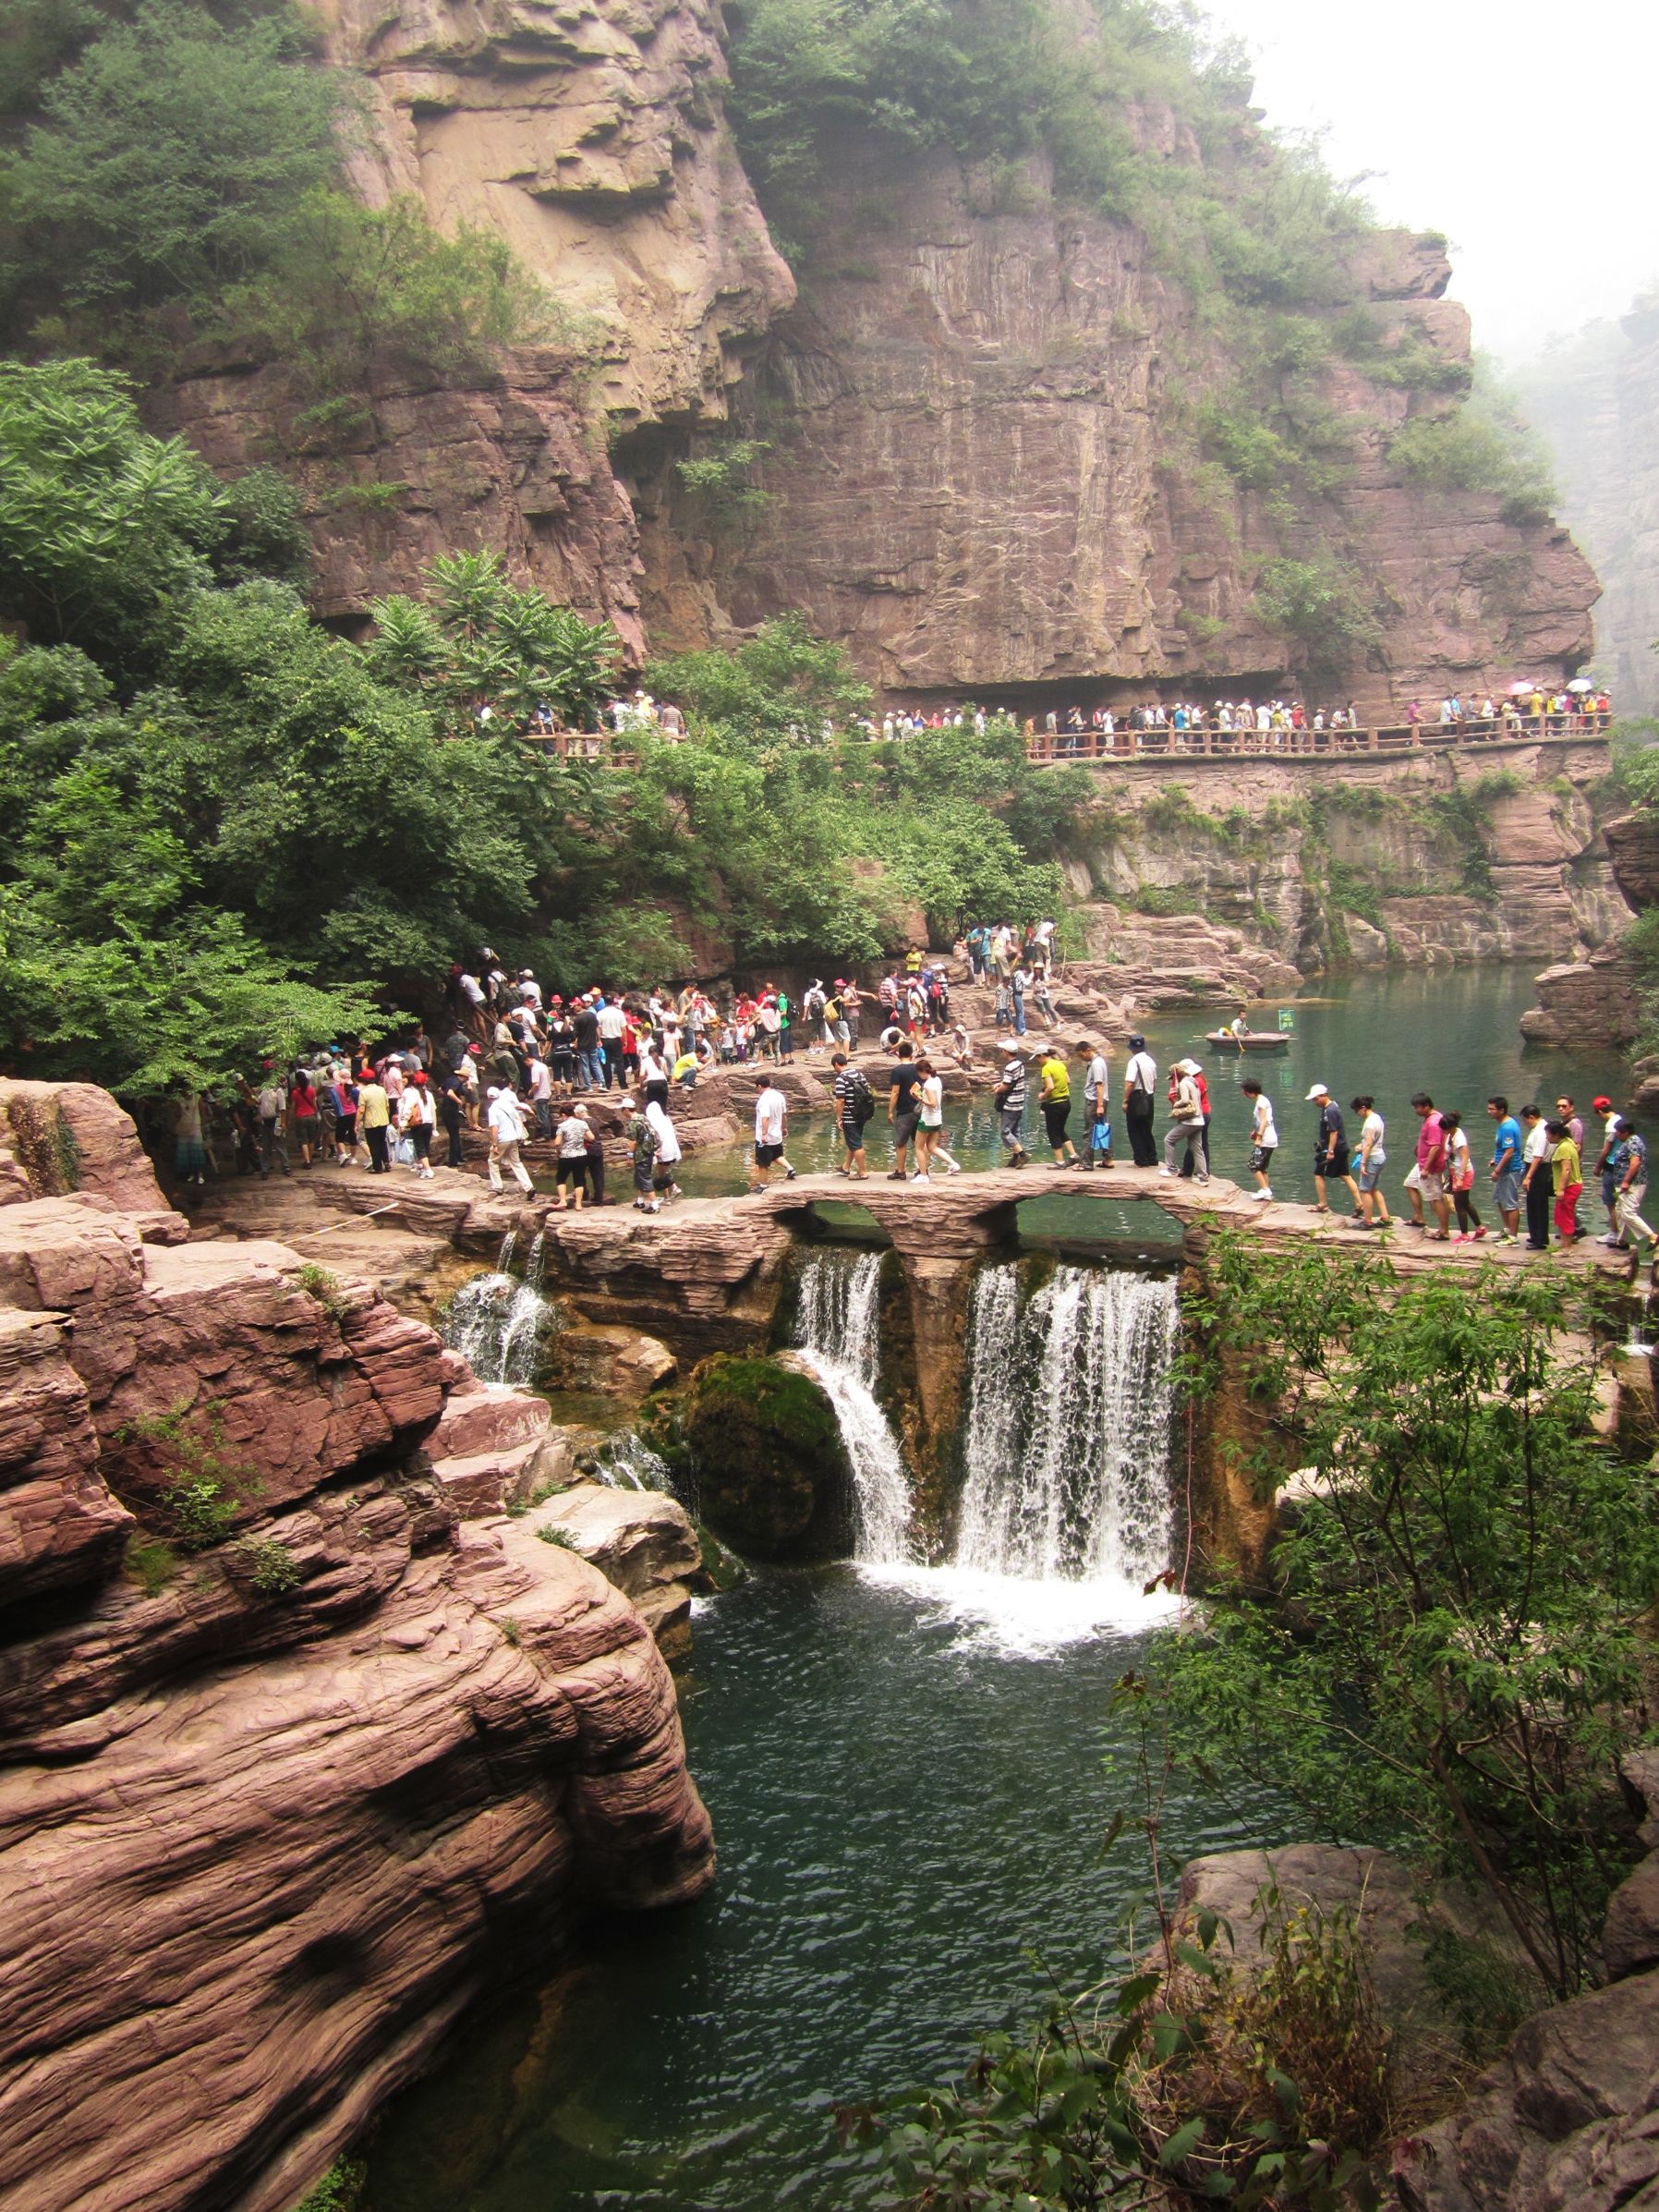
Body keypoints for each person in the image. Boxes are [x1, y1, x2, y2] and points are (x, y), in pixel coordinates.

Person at [1306, 1084, 1360, 1216]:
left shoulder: (1330, 1110)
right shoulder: (1330, 1107)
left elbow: (1334, 1132)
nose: (1315, 1102)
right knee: (1345, 1175)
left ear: (1324, 1095)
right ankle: (1359, 1203)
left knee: (1318, 1174)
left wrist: (1330, 1151)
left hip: (1334, 1148)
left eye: (1316, 1099)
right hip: (1340, 1147)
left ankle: (1322, 1203)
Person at [1404, 1093, 1449, 1237]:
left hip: (1430, 1166)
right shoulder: (1431, 1118)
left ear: (1426, 1106)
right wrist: (1419, 1148)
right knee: (1410, 1184)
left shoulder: (1434, 1122)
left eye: (1417, 1107)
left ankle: (1444, 1231)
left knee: (1436, 1197)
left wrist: (1427, 1168)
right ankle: (1419, 1217)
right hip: (1422, 1162)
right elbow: (1429, 1141)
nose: (1415, 1110)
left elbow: (1435, 1146)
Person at [1612, 1120, 1657, 1257]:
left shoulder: (1633, 1142)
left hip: (1633, 1184)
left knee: (1628, 1213)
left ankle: (1652, 1236)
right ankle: (1621, 1240)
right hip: (1627, 1183)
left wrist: (1626, 1181)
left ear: (1625, 1132)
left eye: (1618, 1132)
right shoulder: (1631, 1141)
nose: (1616, 1135)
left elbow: (1635, 1163)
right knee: (1620, 1210)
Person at [1160, 1059, 1207, 1181]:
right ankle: (1203, 1176)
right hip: (1199, 1120)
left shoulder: (1183, 1083)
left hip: (1190, 1121)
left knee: (1169, 1140)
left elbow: (1185, 1100)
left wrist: (1176, 1105)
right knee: (1197, 1148)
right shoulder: (1194, 1082)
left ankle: (1171, 1168)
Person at [1439, 1111, 1483, 1241]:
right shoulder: (1451, 1135)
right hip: (1455, 1172)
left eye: (1445, 1129)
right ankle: (1480, 1228)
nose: (1443, 1131)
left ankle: (1464, 1235)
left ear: (1451, 1126)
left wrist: (1460, 1178)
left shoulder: (1459, 1138)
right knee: (1465, 1202)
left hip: (1462, 1173)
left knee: (1459, 1204)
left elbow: (1465, 1157)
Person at [749, 1076, 796, 1192]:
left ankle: (763, 1185)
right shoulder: (779, 1096)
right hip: (777, 1135)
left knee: (762, 1162)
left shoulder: (764, 1099)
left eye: (757, 1088)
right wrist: (784, 1128)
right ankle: (790, 1169)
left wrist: (764, 1134)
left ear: (759, 1086)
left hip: (765, 1137)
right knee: (776, 1155)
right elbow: (784, 1115)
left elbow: (765, 1117)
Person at [831, 1052, 874, 1178]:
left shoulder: (841, 1079)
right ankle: (846, 1167)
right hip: (862, 1114)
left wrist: (839, 1118)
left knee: (856, 1144)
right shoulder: (859, 1074)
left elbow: (840, 1100)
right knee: (853, 1141)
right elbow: (867, 1091)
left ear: (836, 1064)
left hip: (850, 1116)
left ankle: (862, 1172)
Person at [1487, 1095, 1522, 1245]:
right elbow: (1503, 1149)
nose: (1489, 1111)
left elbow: (1509, 1152)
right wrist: (1495, 1159)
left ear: (1501, 1110)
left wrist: (1497, 1170)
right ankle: (1507, 1230)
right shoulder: (1503, 1125)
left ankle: (1513, 1237)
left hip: (1509, 1171)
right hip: (1503, 1169)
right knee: (1499, 1199)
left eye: (1492, 1109)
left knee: (1510, 1203)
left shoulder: (1507, 1127)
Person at [1350, 1095, 1388, 1227]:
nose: (1357, 1114)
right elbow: (1370, 1141)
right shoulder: (1378, 1117)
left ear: (1363, 1108)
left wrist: (1363, 1163)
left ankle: (1367, 1221)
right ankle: (1385, 1217)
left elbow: (1368, 1144)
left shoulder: (1369, 1123)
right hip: (1380, 1156)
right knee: (1373, 1188)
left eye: (1357, 1111)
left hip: (1372, 1159)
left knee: (1365, 1190)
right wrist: (1361, 1146)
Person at [887, 1040, 923, 1180]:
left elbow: (895, 1092)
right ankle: (922, 1169)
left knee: (901, 1142)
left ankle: (901, 1171)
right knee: (919, 1142)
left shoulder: (897, 1071)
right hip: (919, 1109)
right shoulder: (918, 1069)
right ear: (911, 1054)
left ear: (898, 1054)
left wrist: (890, 1111)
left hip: (904, 1111)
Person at [1036, 1046, 1077, 1167]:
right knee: (1060, 1129)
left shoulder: (1046, 1068)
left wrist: (1043, 1095)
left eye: (1038, 1057)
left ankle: (1060, 1162)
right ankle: (1073, 1155)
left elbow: (1050, 1087)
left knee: (1053, 1132)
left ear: (1042, 1055)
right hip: (1066, 1102)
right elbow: (1068, 1081)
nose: (1038, 1061)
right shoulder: (1060, 1064)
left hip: (1054, 1104)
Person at [1122, 1035, 1158, 1168]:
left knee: (1134, 1129)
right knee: (1147, 1128)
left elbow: (1130, 1084)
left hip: (1137, 1098)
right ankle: (1152, 1157)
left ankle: (1141, 1159)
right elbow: (1154, 1083)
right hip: (1149, 1097)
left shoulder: (1133, 1062)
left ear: (1132, 1048)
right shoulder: (1151, 1061)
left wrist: (1126, 1100)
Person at [1520, 1104, 1552, 1251]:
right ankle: (1536, 1235)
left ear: (1531, 1117)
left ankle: (1540, 1239)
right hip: (1535, 1168)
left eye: (1525, 1120)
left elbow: (1538, 1157)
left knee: (1538, 1205)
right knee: (1533, 1204)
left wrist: (1528, 1177)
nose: (1525, 1123)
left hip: (1538, 1170)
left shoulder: (1540, 1132)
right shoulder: (1539, 1129)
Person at [1240, 1079, 1277, 1200]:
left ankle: (1265, 1190)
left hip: (1266, 1139)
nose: (1244, 1095)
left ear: (1250, 1092)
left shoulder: (1260, 1102)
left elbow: (1264, 1121)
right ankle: (1266, 1192)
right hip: (1270, 1137)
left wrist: (1259, 1138)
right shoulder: (1264, 1100)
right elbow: (1264, 1121)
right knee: (1262, 1167)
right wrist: (1256, 1133)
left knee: (1253, 1165)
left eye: (1245, 1092)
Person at [1547, 1118, 1583, 1243]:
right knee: (1561, 1216)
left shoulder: (1564, 1148)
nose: (1546, 1137)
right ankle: (1564, 1244)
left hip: (1569, 1186)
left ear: (1557, 1135)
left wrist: (1561, 1189)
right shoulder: (1569, 1141)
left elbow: (1566, 1169)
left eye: (1548, 1134)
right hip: (1573, 1185)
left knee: (1566, 1217)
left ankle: (1567, 1248)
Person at [623, 1096, 660, 1211]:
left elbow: (632, 1141)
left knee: (644, 1178)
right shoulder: (643, 1117)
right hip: (648, 1151)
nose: (622, 1112)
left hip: (641, 1154)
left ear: (626, 1109)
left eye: (622, 1110)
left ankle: (654, 1205)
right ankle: (640, 1201)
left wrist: (630, 1157)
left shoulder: (633, 1123)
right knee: (639, 1176)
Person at [995, 1049, 1029, 1166]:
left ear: (1006, 1052)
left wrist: (997, 1090)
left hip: (1011, 1104)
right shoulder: (1019, 1064)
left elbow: (1005, 1087)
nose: (1001, 1052)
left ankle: (1023, 1155)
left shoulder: (1010, 1067)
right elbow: (1011, 1082)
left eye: (1002, 1050)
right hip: (1019, 1103)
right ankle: (1015, 1158)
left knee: (1005, 1132)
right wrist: (1001, 1084)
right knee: (1014, 1131)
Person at [645, 1096, 682, 1203]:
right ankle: (667, 1197)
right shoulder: (666, 1119)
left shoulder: (654, 1122)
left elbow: (657, 1137)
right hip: (672, 1151)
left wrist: (655, 1150)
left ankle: (674, 1188)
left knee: (661, 1173)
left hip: (662, 1152)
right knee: (662, 1172)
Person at [399, 1073, 436, 1180]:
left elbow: (407, 1110)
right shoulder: (429, 1094)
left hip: (418, 1124)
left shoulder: (411, 1093)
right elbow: (433, 1111)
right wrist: (434, 1128)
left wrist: (402, 1123)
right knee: (425, 1146)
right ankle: (423, 1167)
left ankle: (428, 1170)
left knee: (420, 1148)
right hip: (428, 1124)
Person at [1080, 1039, 1110, 1169]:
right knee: (1103, 1128)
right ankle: (1108, 1159)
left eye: (1081, 1054)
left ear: (1088, 1050)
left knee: (1090, 1131)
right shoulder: (1098, 1061)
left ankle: (1086, 1163)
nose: (1081, 1058)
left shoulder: (1096, 1064)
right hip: (1100, 1100)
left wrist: (1100, 1105)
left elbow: (1099, 1085)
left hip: (1094, 1101)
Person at [552, 1102, 589, 1209]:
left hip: (566, 1156)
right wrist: (580, 1138)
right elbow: (591, 1137)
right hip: (581, 1155)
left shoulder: (562, 1126)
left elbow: (557, 1143)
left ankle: (563, 1201)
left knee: (561, 1178)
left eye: (561, 1116)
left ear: (564, 1115)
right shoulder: (582, 1123)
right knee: (579, 1180)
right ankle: (578, 1204)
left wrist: (558, 1150)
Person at [256, 1071, 290, 1180]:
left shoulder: (279, 1091)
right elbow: (257, 1101)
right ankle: (265, 1168)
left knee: (279, 1145)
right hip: (265, 1121)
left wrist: (283, 1123)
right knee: (266, 1146)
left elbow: (282, 1108)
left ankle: (286, 1166)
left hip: (276, 1120)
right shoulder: (264, 1090)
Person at [357, 1071, 391, 1174]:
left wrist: (356, 1123)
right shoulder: (382, 1089)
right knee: (382, 1142)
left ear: (364, 1080)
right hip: (383, 1120)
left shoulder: (363, 1093)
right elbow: (387, 1106)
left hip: (370, 1122)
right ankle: (386, 1163)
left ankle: (377, 1167)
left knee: (373, 1144)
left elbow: (361, 1111)